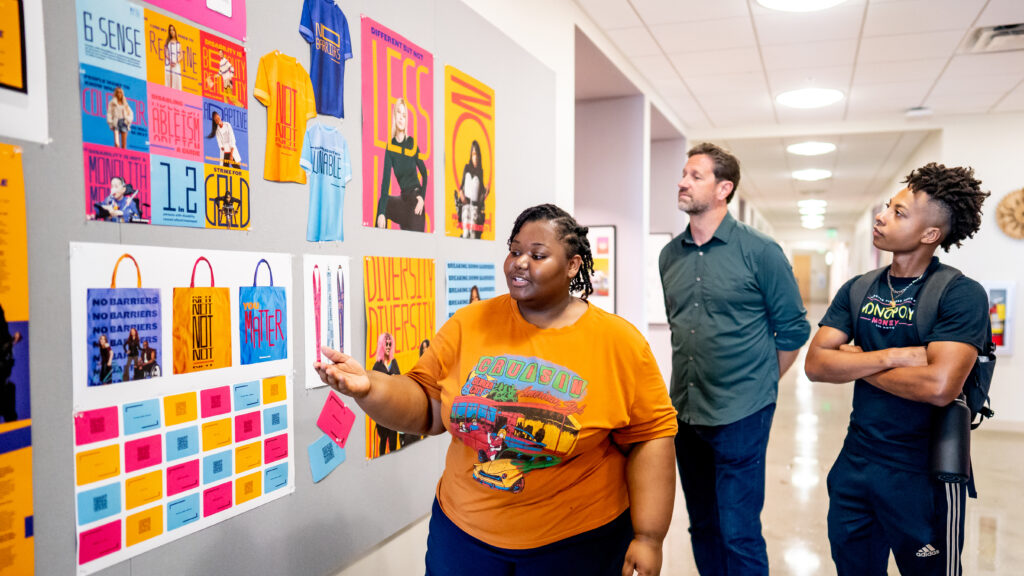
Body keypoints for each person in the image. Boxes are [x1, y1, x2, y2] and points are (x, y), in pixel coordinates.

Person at [316, 203, 678, 576]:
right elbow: (427, 408)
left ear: (572, 266)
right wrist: (369, 388)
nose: (520, 262)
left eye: (537, 255)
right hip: (463, 536)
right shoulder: (469, 323)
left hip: (577, 541)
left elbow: (651, 438)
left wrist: (649, 537)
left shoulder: (618, 342)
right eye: (515, 250)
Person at [804, 163, 991, 576]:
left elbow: (939, 385)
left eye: (899, 212)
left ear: (930, 235)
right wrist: (891, 356)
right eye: (888, 206)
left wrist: (853, 360)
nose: (882, 215)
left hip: (924, 474)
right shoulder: (858, 288)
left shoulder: (960, 295)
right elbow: (816, 364)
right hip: (856, 464)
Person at [659, 142, 810, 575]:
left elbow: (794, 330)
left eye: (695, 176)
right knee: (702, 526)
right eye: (684, 174)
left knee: (739, 531)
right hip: (686, 412)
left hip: (742, 413)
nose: (683, 182)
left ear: (723, 188)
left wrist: (761, 384)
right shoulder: (669, 256)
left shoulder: (761, 251)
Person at [375, 97, 428, 232]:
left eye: (404, 115)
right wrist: (381, 213)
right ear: (394, 115)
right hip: (403, 200)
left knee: (416, 248)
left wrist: (422, 197)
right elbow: (385, 181)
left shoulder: (412, 143)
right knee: (383, 202)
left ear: (406, 120)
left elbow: (425, 173)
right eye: (399, 113)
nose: (401, 118)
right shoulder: (391, 147)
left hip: (415, 200)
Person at [370, 332, 400, 456]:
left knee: (393, 441)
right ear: (381, 346)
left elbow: (400, 382)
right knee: (383, 440)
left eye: (390, 344)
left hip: (393, 409)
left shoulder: (394, 363)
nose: (388, 346)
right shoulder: (377, 366)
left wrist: (395, 379)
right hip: (382, 410)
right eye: (385, 344)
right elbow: (373, 386)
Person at [455, 140, 488, 239]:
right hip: (465, 206)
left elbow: (480, 195)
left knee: (473, 234)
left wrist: (486, 193)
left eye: (477, 154)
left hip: (474, 208)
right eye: (473, 154)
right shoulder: (467, 167)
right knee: (465, 233)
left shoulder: (480, 171)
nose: (475, 157)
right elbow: (461, 187)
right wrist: (462, 196)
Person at [164, 24, 182, 90]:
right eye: (170, 30)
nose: (172, 31)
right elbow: (166, 53)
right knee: (169, 81)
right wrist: (170, 61)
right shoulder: (167, 42)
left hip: (176, 64)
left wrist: (176, 61)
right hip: (169, 63)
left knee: (176, 80)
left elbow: (181, 55)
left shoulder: (178, 43)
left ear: (175, 31)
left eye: (173, 30)